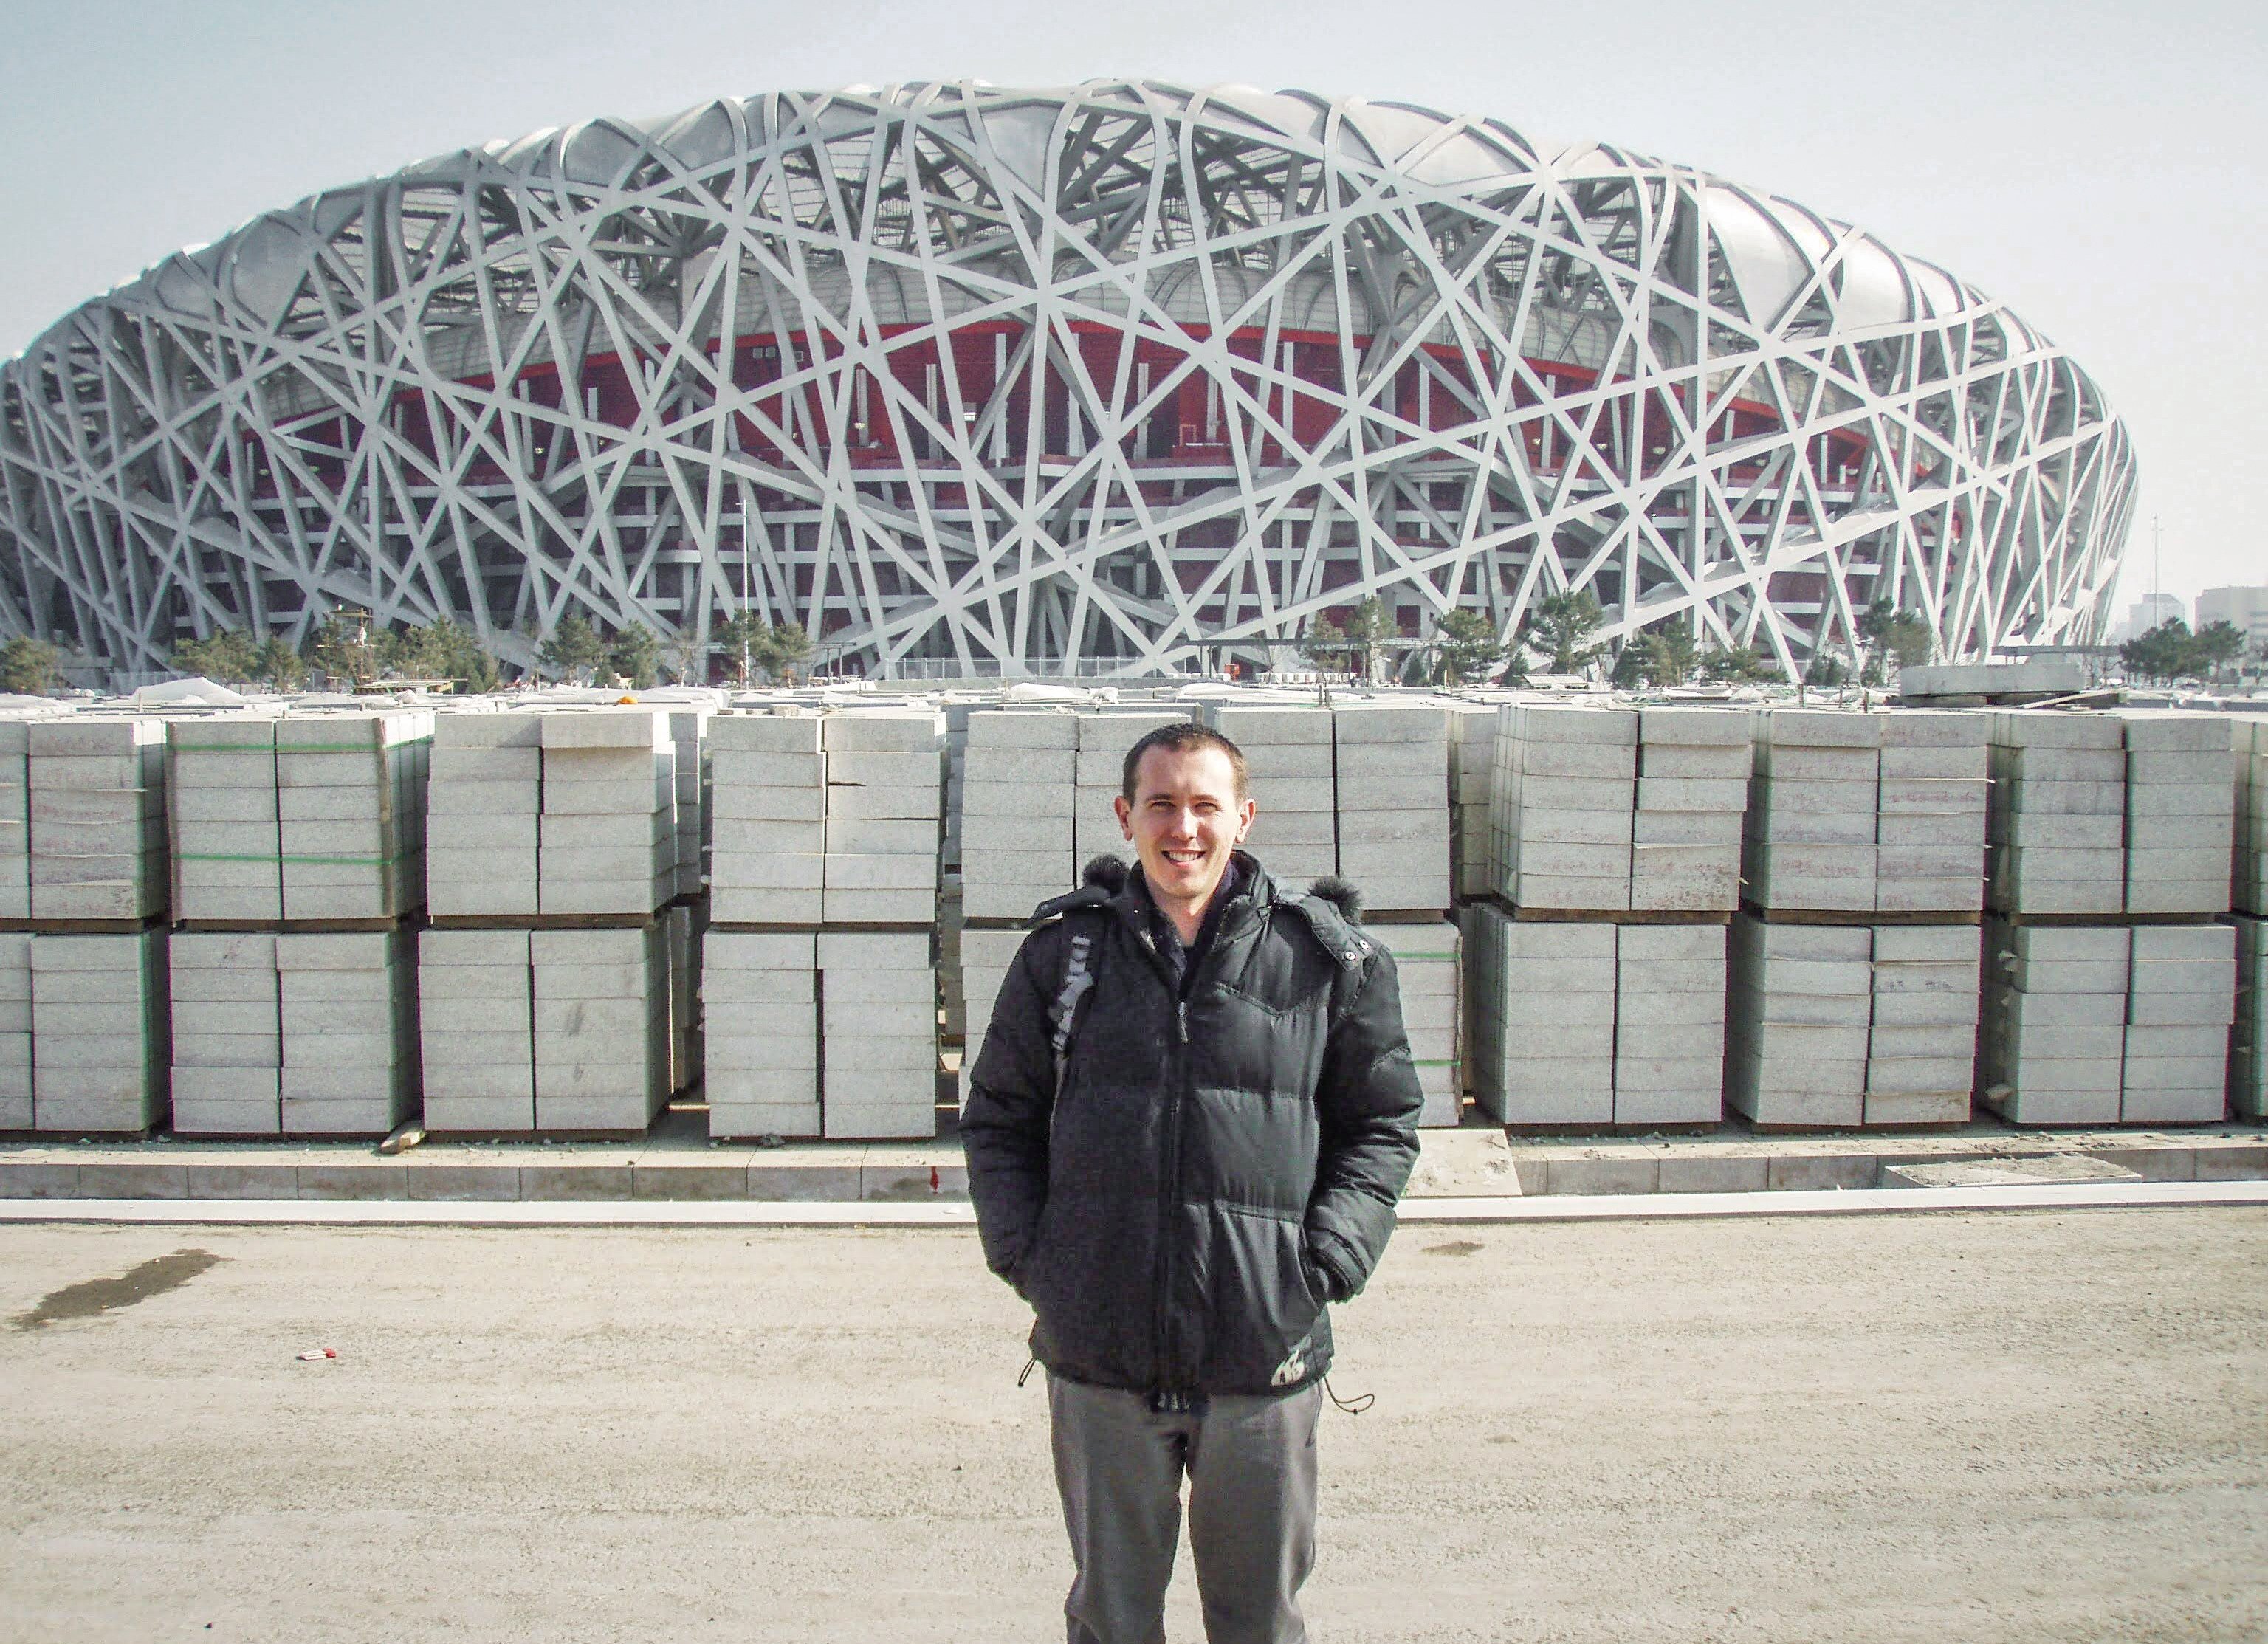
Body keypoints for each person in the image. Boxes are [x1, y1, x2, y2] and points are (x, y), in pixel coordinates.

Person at [961, 720, 1423, 1644]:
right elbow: (999, 1120)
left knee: (1258, 1622)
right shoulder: (1064, 958)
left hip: (1262, 1351)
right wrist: (1035, 1258)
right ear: (1125, 815)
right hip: (1102, 1355)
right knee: (1111, 1619)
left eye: (1206, 805)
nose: (1185, 829)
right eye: (1163, 805)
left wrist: (1325, 1258)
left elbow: (1383, 1123)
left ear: (1243, 817)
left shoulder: (1324, 961)